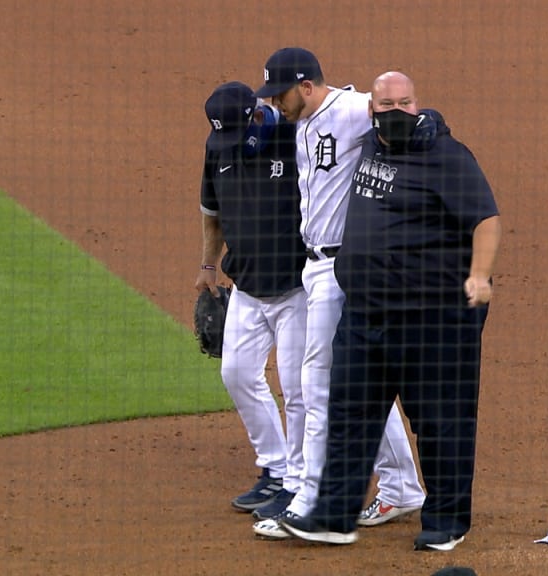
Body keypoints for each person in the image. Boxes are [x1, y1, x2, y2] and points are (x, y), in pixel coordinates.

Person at [280, 71, 502, 551]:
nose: (397, 111)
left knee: (441, 423)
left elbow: (486, 219)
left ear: (417, 104)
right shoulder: (368, 145)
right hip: (364, 317)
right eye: (387, 104)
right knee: (350, 416)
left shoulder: (447, 156)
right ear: (371, 109)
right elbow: (317, 111)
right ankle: (336, 516)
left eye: (405, 103)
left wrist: (480, 275)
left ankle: (446, 522)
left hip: (432, 320)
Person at [249, 49, 426, 539]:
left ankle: (312, 498)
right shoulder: (301, 118)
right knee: (360, 381)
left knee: (316, 383)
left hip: (341, 269)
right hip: (315, 267)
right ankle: (402, 485)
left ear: (306, 86)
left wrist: (424, 121)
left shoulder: (349, 110)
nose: (276, 103)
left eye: (280, 94)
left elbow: (395, 108)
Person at [195, 81, 307, 517]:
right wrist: (208, 266)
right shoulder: (218, 146)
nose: (228, 145)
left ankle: (299, 483)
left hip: (296, 287)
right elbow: (212, 213)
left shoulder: (291, 139)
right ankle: (276, 468)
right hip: (246, 285)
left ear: (257, 114)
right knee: (238, 373)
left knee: (297, 389)